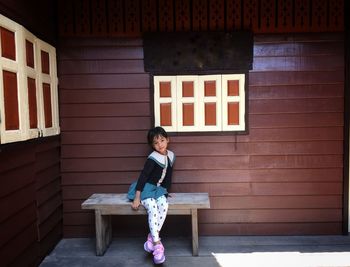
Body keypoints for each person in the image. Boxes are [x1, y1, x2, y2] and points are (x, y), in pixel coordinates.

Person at [129, 126, 175, 265]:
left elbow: (168, 176)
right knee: (153, 208)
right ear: (152, 145)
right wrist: (137, 197)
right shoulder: (152, 158)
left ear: (167, 139)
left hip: (158, 189)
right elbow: (143, 177)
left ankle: (151, 238)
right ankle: (157, 243)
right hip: (145, 189)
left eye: (162, 140)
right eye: (156, 142)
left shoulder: (171, 155)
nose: (160, 144)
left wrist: (166, 191)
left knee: (164, 205)